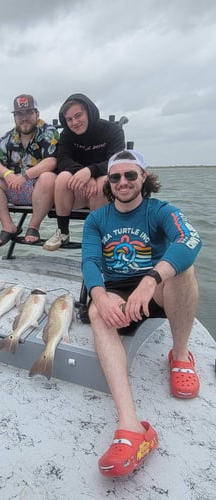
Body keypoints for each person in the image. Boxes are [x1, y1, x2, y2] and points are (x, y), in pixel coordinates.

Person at [81, 149, 202, 477]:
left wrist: (151, 279)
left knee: (183, 272)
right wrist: (100, 295)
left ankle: (180, 356)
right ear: (109, 182)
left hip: (156, 291)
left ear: (143, 177)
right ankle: (132, 427)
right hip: (119, 292)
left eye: (130, 175)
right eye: (116, 177)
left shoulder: (160, 211)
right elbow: (90, 261)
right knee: (95, 312)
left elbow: (190, 239)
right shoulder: (97, 219)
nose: (123, 182)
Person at [43, 93, 126, 251]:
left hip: (104, 192)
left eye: (78, 116)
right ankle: (63, 232)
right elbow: (62, 160)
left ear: (89, 112)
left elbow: (116, 162)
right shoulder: (67, 135)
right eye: (69, 119)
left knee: (103, 182)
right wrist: (83, 173)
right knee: (62, 178)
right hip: (78, 191)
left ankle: (98, 235)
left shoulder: (112, 131)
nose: (74, 123)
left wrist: (91, 171)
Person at [0, 94, 59, 246]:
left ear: (37, 114)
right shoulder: (8, 137)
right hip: (14, 187)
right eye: (19, 114)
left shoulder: (49, 132)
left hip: (41, 190)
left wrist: (25, 176)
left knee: (49, 177)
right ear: (15, 117)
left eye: (28, 113)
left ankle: (33, 227)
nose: (24, 118)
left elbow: (52, 161)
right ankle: (8, 226)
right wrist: (7, 174)